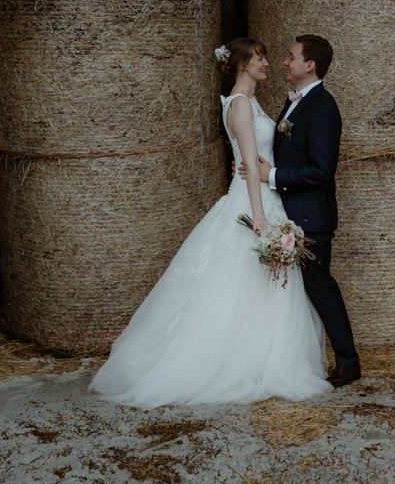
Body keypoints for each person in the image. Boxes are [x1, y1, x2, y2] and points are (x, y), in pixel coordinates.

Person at [88, 37, 332, 407]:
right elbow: (250, 167)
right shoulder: (238, 105)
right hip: (255, 202)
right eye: (261, 58)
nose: (268, 64)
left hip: (267, 194)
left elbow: (256, 158)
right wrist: (261, 218)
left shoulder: (250, 102)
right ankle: (239, 362)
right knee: (243, 284)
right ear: (242, 64)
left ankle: (260, 354)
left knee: (265, 289)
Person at [243, 34, 361, 387]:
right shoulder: (294, 102)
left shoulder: (323, 107)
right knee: (303, 290)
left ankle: (348, 362)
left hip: (311, 216)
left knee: (320, 286)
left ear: (309, 65)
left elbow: (322, 169)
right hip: (289, 212)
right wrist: (257, 166)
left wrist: (272, 175)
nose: (284, 61)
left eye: (290, 56)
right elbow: (288, 153)